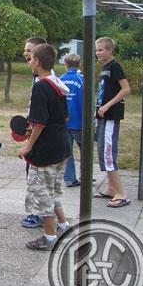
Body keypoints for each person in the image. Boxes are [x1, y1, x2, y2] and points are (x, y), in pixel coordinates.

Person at [18, 44, 71, 250]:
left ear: (38, 61)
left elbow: (39, 123)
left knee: (44, 194)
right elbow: (64, 116)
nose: (29, 62)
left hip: (46, 151)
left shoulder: (41, 86)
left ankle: (49, 237)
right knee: (55, 189)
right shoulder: (57, 82)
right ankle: (64, 225)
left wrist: (28, 147)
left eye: (30, 59)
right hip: (61, 147)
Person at [93, 37, 131, 207]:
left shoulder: (114, 66)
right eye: (96, 50)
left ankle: (121, 194)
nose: (97, 53)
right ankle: (110, 188)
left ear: (110, 50)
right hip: (101, 116)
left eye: (101, 50)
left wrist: (107, 106)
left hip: (110, 117)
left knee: (108, 154)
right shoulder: (104, 67)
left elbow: (126, 89)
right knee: (102, 150)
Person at [20, 36, 49, 229]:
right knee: (35, 174)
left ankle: (39, 215)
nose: (25, 54)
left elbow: (42, 119)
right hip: (37, 134)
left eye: (29, 50)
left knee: (38, 176)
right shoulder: (37, 77)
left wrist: (29, 144)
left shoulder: (43, 81)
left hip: (41, 139)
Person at [60, 53, 84, 187]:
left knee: (67, 152)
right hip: (80, 123)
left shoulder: (60, 79)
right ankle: (85, 176)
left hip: (65, 123)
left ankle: (69, 178)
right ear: (79, 64)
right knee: (84, 151)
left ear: (66, 64)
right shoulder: (82, 80)